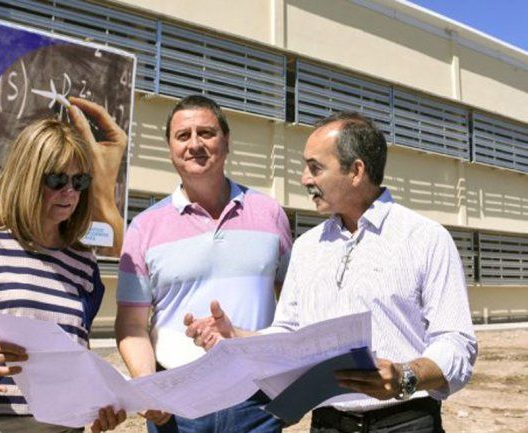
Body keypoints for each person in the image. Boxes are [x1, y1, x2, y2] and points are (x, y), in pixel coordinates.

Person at [185, 112, 478, 433]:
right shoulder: (308, 246)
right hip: (328, 424)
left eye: (315, 167)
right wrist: (237, 337)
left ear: (356, 171)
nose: (304, 179)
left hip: (404, 422)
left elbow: (456, 341)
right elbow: (290, 333)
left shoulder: (425, 238)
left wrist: (405, 376)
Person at [0, 99, 127, 433]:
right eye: (57, 179)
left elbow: (76, 356)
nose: (70, 192)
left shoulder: (83, 264)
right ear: (28, 177)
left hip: (60, 425)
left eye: (80, 182)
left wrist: (98, 403)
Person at [115, 95, 293, 433]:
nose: (195, 144)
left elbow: (293, 305)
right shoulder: (144, 228)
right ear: (170, 148)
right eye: (183, 135)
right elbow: (132, 325)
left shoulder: (270, 214)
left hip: (257, 403)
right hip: (177, 404)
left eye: (206, 133)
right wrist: (147, 384)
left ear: (226, 142)